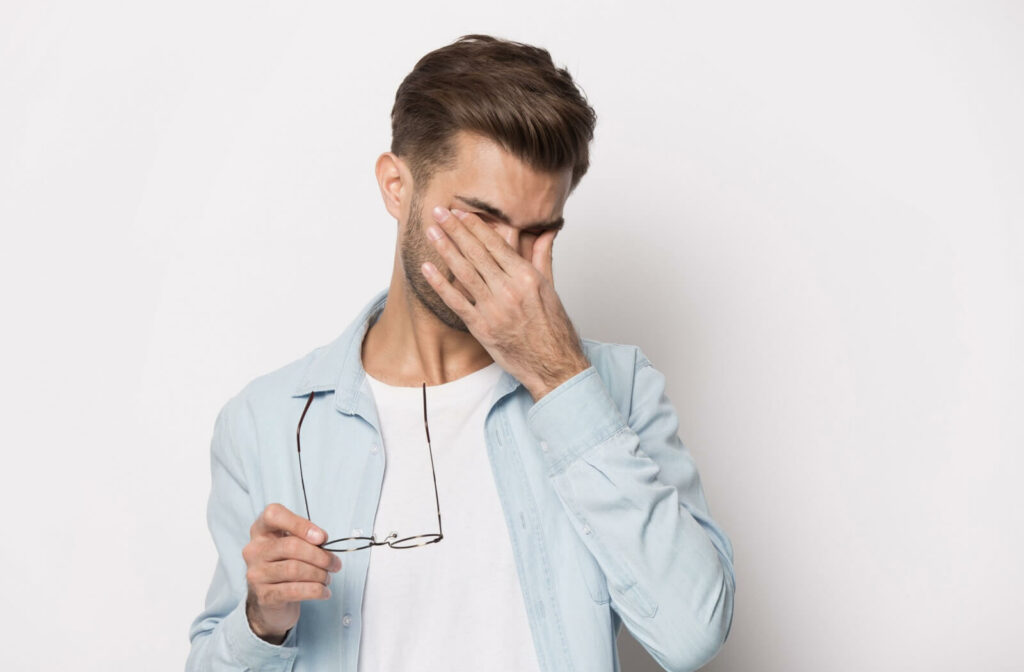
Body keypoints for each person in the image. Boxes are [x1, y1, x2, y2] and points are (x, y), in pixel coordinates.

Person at [186, 33, 734, 672]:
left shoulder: (616, 386)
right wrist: (263, 621)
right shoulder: (269, 420)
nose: (506, 259)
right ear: (397, 186)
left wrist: (557, 377)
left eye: (536, 233)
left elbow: (693, 634)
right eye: (479, 220)